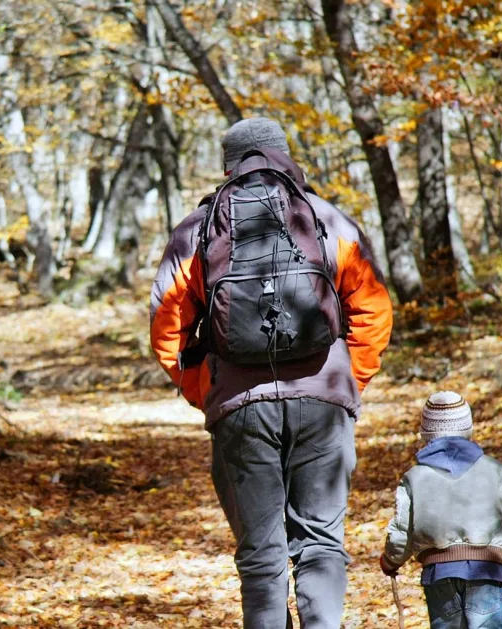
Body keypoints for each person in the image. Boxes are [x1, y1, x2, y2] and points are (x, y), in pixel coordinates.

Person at [150, 117, 393, 629]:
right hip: (324, 402)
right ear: (287, 156)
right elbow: (373, 311)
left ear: (228, 166)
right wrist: (349, 380)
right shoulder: (328, 220)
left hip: (238, 409)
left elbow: (167, 324)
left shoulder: (199, 229)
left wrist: (204, 390)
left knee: (261, 554)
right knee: (322, 542)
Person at [379, 391, 502, 629]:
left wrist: (390, 561)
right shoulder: (491, 470)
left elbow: (402, 532)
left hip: (439, 574)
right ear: (468, 428)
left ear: (425, 433)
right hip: (485, 570)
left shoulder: (414, 478)